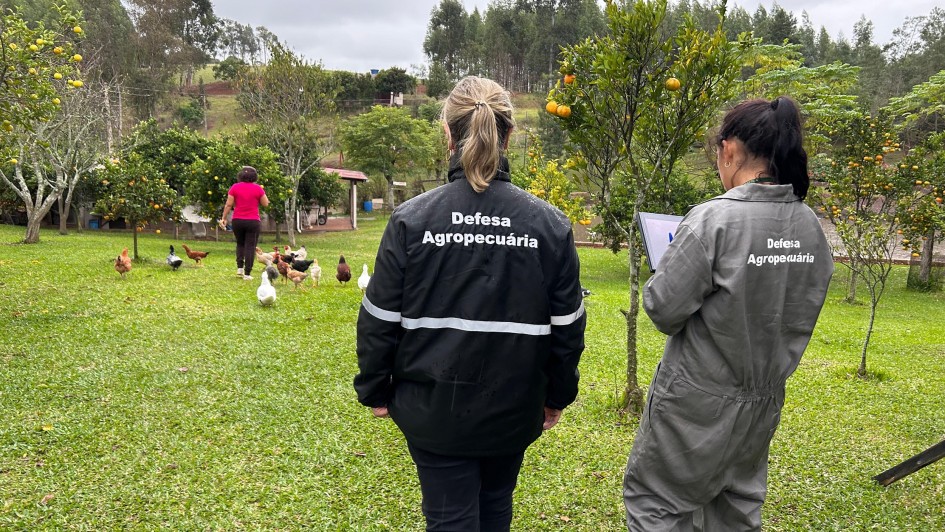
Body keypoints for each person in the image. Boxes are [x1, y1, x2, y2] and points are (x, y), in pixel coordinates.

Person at [354, 76, 586, 531]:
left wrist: (374, 388)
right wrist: (558, 396)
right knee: (496, 505)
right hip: (514, 410)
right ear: (509, 135)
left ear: (448, 133)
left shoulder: (411, 220)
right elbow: (569, 330)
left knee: (450, 519)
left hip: (433, 413)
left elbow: (378, 319)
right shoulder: (550, 225)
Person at [623, 96, 834, 531]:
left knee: (656, 507)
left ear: (731, 149)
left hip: (695, 405)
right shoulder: (809, 225)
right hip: (763, 401)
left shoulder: (713, 220)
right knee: (734, 511)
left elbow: (663, 309)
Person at [218, 166, 269, 280]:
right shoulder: (258, 188)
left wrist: (224, 218)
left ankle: (240, 268)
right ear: (255, 176)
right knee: (250, 246)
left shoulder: (235, 187)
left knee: (240, 243)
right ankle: (247, 274)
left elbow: (228, 204)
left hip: (238, 220)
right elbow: (265, 203)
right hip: (253, 221)